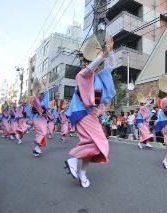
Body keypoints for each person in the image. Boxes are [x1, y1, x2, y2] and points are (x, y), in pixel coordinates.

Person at [64, 36, 115, 188]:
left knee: (90, 145)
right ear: (87, 62)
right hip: (82, 113)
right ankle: (73, 158)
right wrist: (103, 55)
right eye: (93, 61)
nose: (98, 66)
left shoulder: (99, 78)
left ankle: (82, 173)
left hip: (90, 115)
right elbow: (90, 69)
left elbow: (111, 66)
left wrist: (110, 52)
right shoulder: (82, 75)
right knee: (101, 143)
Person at [29, 78, 49, 157]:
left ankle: (36, 149)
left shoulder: (44, 100)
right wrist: (30, 119)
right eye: (41, 93)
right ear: (37, 93)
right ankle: (36, 145)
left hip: (43, 120)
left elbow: (47, 95)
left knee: (43, 134)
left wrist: (46, 85)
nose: (42, 95)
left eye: (42, 93)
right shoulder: (34, 100)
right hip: (37, 119)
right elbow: (31, 108)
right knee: (42, 133)